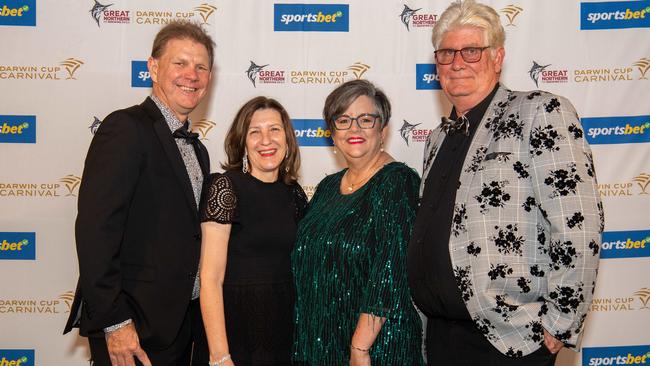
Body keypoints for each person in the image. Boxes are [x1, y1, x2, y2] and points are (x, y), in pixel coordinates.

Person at [407, 1, 604, 365]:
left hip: (508, 341)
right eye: (446, 53)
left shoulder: (539, 112)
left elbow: (579, 223)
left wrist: (560, 322)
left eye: (471, 51)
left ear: (498, 57)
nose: (457, 62)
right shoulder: (437, 137)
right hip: (439, 339)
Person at [63, 20, 215, 366]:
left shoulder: (199, 151)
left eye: (201, 67)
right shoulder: (125, 128)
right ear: (153, 67)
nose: (191, 75)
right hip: (133, 328)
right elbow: (95, 231)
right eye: (180, 63)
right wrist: (115, 322)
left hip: (179, 328)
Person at [292, 79, 425, 366]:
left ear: (383, 130)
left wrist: (360, 347)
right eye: (343, 120)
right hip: (322, 343)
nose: (354, 129)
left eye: (365, 119)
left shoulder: (398, 182)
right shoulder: (327, 187)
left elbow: (391, 270)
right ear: (332, 132)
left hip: (374, 349)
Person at [196, 96, 307, 366]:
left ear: (288, 139)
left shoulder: (295, 194)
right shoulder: (225, 188)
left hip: (283, 330)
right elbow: (210, 278)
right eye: (254, 131)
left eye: (274, 130)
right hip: (235, 331)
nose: (266, 140)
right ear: (243, 141)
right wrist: (220, 356)